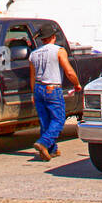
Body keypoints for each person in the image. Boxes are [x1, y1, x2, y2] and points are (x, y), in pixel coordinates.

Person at [28, 24, 82, 161]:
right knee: (58, 119)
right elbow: (68, 71)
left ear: (42, 39)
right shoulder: (59, 51)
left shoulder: (33, 54)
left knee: (44, 120)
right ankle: (43, 142)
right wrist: (76, 84)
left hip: (38, 89)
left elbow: (32, 77)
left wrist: (33, 93)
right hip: (52, 88)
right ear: (53, 37)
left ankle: (51, 150)